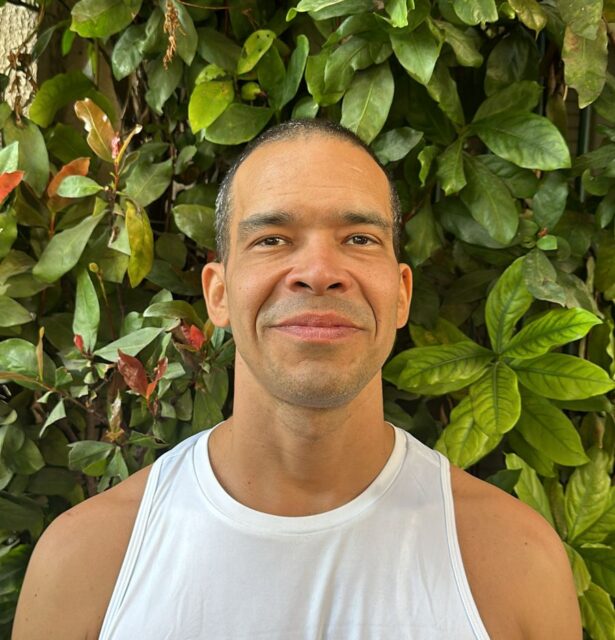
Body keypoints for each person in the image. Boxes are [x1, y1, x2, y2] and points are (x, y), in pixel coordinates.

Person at [13, 120, 581, 639]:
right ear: (218, 294)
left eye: (359, 239)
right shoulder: (85, 561)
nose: (319, 273)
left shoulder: (517, 563)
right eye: (272, 239)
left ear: (402, 293)